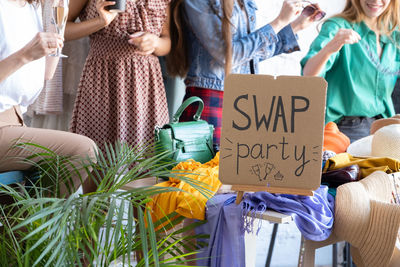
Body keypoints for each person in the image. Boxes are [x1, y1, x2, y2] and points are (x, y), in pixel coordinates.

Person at [166, 0, 321, 149]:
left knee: (238, 174)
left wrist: (295, 26)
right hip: (211, 101)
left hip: (243, 103)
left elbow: (249, 55)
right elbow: (228, 56)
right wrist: (279, 22)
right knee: (202, 173)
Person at [0, 0, 97, 196]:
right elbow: (25, 57)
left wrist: (57, 24)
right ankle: (32, 224)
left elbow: (47, 73)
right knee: (84, 150)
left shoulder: (31, 8)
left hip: (16, 120)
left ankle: (25, 221)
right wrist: (25, 55)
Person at [65, 0, 171, 152]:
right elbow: (62, 30)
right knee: (95, 150)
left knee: (143, 152)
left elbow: (167, 42)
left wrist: (155, 42)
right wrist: (100, 22)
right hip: (103, 78)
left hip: (145, 84)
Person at [301, 0, 400, 142]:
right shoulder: (338, 26)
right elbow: (309, 74)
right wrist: (331, 47)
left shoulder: (393, 34)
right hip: (347, 128)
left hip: (385, 126)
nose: (376, 1)